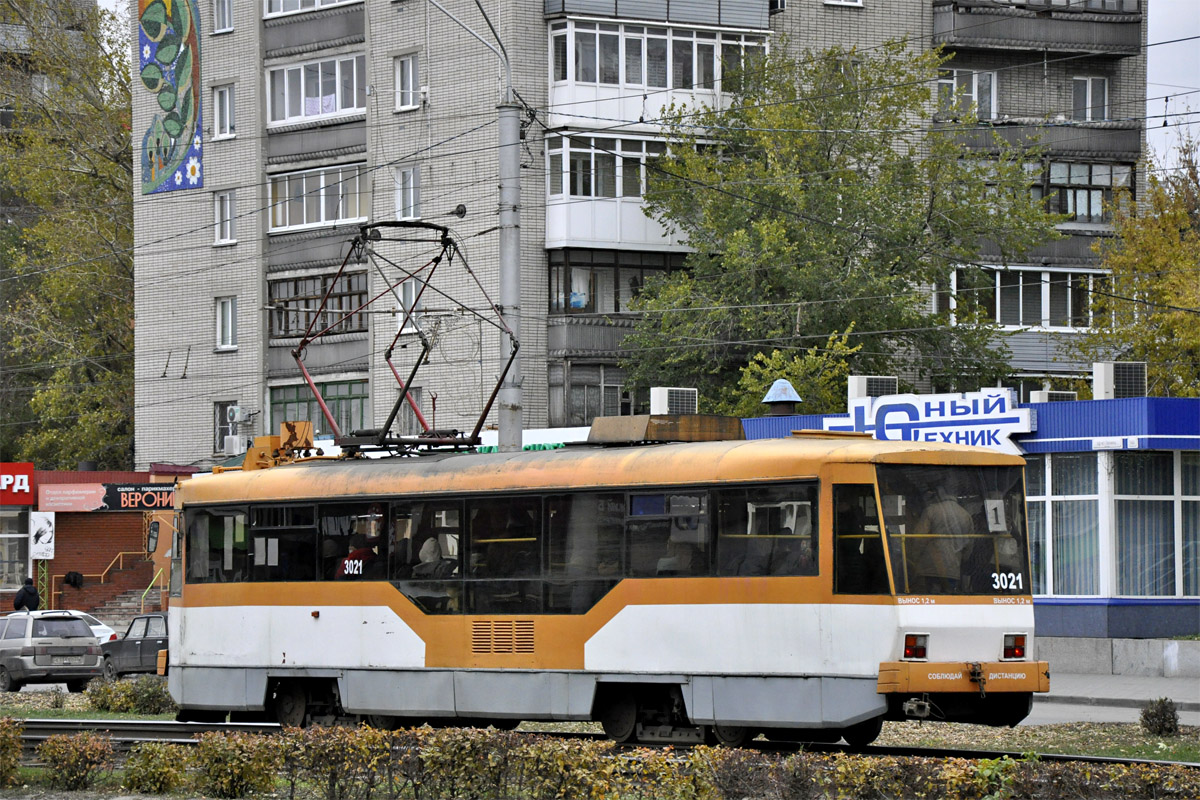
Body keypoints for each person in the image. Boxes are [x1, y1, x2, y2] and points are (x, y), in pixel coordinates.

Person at [911, 486, 974, 593]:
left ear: (940, 494)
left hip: (930, 567)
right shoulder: (966, 515)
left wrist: (914, 557)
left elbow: (918, 538)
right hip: (953, 569)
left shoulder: (931, 510)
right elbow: (969, 545)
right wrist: (961, 560)